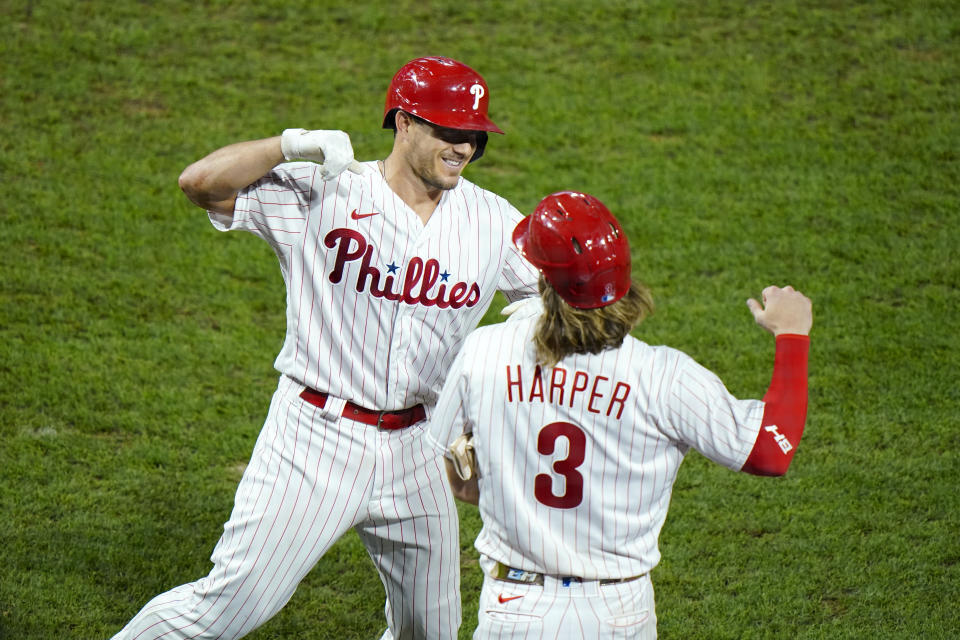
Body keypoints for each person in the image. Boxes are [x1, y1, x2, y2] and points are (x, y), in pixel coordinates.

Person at [110, 56, 539, 640]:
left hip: (421, 449)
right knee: (229, 608)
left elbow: (561, 305)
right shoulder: (324, 191)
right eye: (448, 130)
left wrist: (500, 395)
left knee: (429, 632)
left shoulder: (492, 220)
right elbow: (199, 184)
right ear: (405, 123)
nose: (463, 146)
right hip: (315, 441)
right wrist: (290, 144)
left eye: (473, 136)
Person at [425, 190, 813, 639]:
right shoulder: (664, 376)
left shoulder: (485, 351)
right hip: (617, 612)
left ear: (543, 282)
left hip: (516, 607)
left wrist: (513, 491)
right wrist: (792, 335)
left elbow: (459, 478)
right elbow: (770, 451)